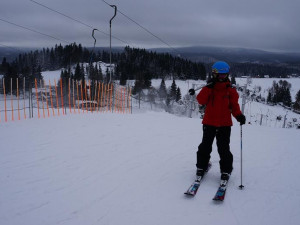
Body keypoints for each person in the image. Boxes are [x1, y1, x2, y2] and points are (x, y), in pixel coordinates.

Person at [189, 61, 246, 181]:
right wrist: (207, 88)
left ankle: (226, 170)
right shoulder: (209, 87)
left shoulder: (230, 90)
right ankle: (201, 167)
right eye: (219, 75)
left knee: (223, 148)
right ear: (214, 74)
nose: (222, 77)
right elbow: (201, 101)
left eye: (224, 75)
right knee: (205, 146)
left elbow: (234, 106)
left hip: (225, 124)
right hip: (209, 122)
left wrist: (239, 115)